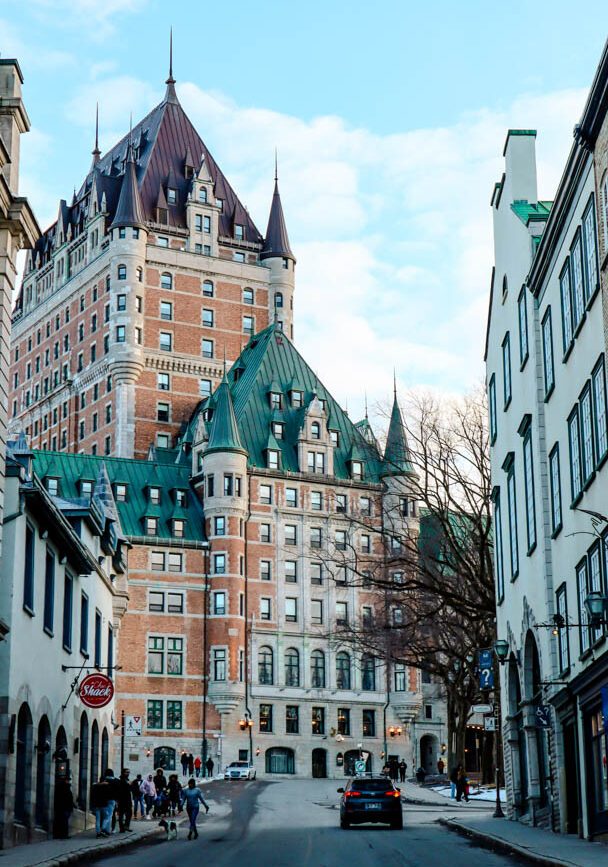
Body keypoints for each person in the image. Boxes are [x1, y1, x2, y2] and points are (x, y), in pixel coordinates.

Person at [102, 768, 120, 835]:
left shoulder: (103, 780)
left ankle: (104, 828)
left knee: (105, 815)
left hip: (103, 800)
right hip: (112, 800)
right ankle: (107, 829)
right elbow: (119, 792)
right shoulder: (116, 781)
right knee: (110, 815)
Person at [117, 768, 132, 832]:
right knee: (121, 814)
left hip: (128, 799)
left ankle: (126, 826)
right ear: (123, 773)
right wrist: (128, 784)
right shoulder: (121, 780)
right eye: (126, 772)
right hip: (122, 800)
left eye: (128, 772)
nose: (128, 774)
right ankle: (122, 828)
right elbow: (121, 790)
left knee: (129, 813)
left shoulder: (127, 780)